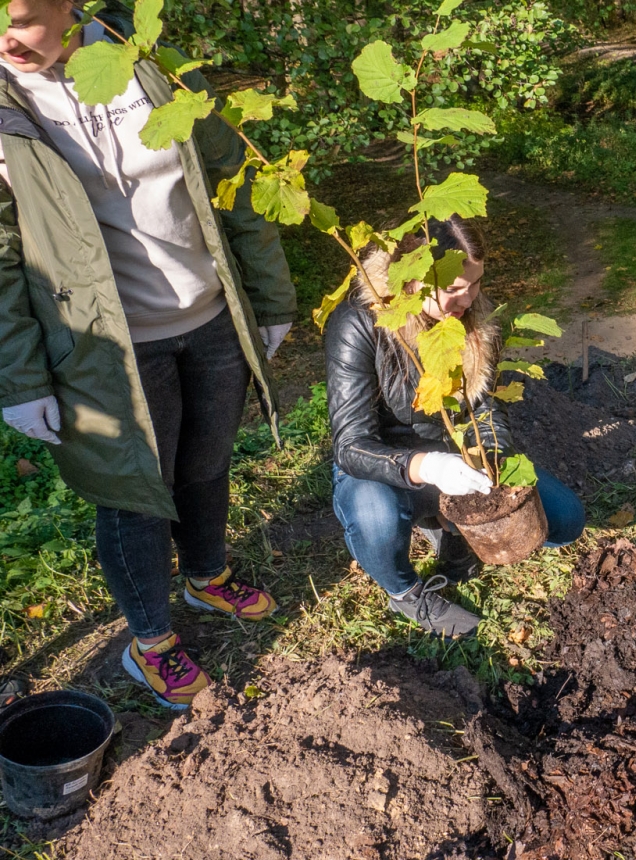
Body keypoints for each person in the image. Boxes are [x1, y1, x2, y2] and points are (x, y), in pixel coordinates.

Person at [0, 0, 296, 710]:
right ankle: (151, 641)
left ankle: (205, 573)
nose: (2, 36)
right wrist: (19, 378)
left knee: (206, 461)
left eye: (15, 14)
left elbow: (236, 183)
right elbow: (3, 257)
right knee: (136, 492)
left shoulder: (150, 57)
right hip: (109, 345)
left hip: (212, 315)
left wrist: (272, 296)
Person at [323, 217, 585, 638]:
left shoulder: (477, 320)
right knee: (376, 517)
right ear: (412, 280)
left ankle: (443, 525)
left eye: (476, 284)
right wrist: (428, 467)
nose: (468, 299)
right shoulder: (359, 323)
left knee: (565, 519)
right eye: (454, 290)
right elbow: (351, 445)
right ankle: (405, 592)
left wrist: (490, 462)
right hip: (381, 466)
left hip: (459, 457)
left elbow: (485, 410)